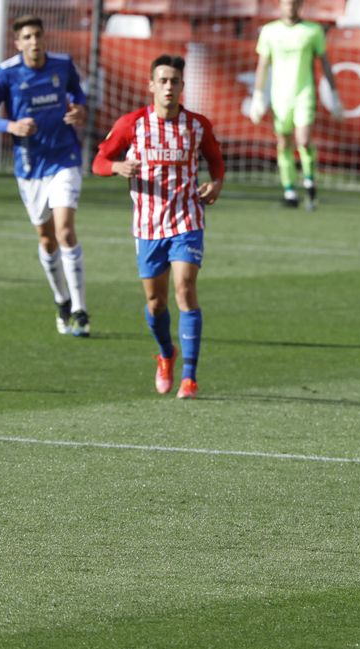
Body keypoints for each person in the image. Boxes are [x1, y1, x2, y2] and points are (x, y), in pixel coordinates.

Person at [92, 55, 225, 400]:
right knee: (155, 302)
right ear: (151, 85)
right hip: (148, 227)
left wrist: (216, 184)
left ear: (183, 86)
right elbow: (98, 162)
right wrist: (117, 168)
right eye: (162, 81)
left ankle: (190, 378)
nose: (169, 87)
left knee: (185, 288)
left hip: (187, 221)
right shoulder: (132, 124)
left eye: (175, 81)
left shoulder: (197, 126)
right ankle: (166, 353)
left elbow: (216, 162)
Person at [0, 14, 91, 337]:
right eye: (27, 37)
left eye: (38, 35)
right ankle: (62, 300)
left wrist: (80, 109)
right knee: (46, 238)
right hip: (29, 167)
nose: (34, 42)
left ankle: (81, 310)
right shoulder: (6, 74)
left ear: (44, 37)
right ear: (18, 42)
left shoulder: (63, 65)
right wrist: (10, 125)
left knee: (65, 230)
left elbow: (79, 95)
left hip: (64, 158)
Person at [249, 0, 342, 209]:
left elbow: (324, 62)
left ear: (300, 5)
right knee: (283, 143)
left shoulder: (312, 31)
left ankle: (309, 181)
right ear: (280, 6)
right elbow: (263, 65)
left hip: (304, 93)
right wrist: (257, 95)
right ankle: (289, 190)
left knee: (303, 140)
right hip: (279, 96)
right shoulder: (270, 31)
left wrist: (334, 94)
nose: (289, 7)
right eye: (286, 3)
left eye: (293, 3)